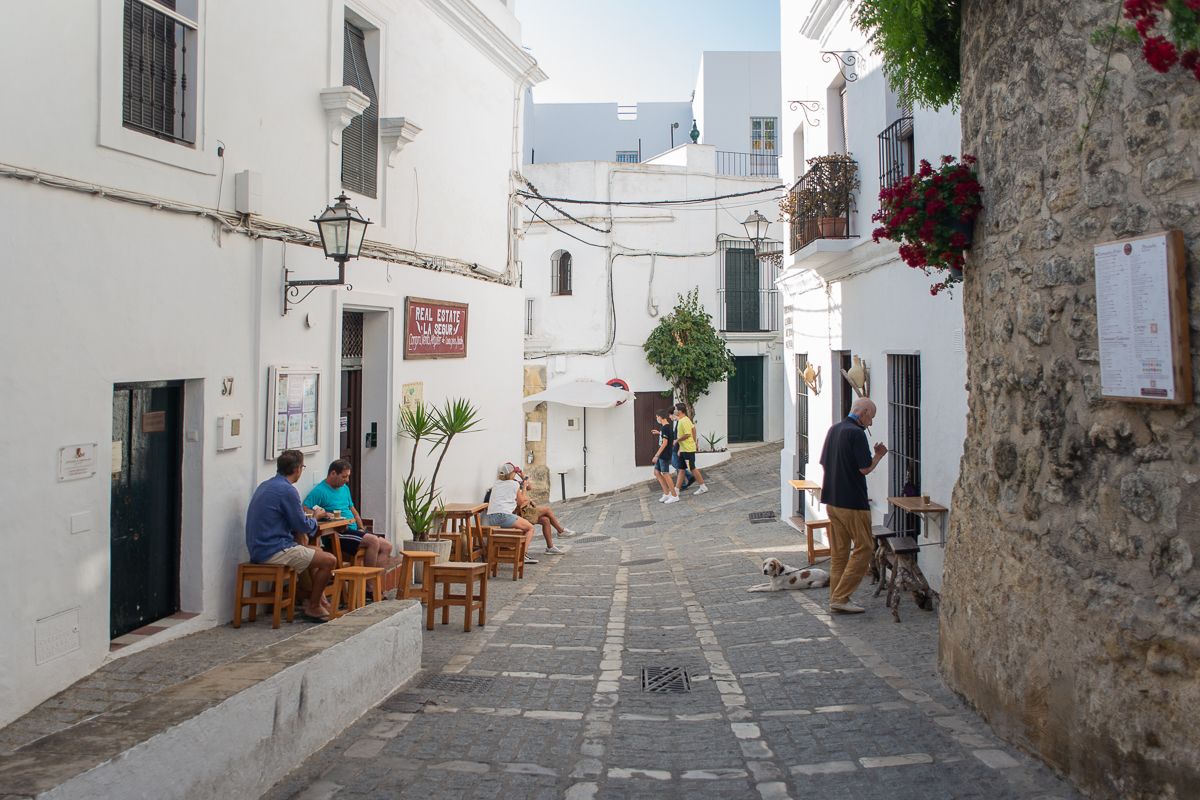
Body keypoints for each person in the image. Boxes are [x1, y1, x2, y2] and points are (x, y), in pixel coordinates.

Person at [245, 449, 336, 623]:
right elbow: (302, 525)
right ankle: (314, 606)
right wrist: (316, 517)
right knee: (329, 560)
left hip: (259, 547)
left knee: (315, 550)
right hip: (274, 549)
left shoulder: (266, 485)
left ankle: (315, 599)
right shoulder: (288, 490)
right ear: (297, 469)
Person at [818, 397, 888, 614]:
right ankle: (841, 596)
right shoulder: (856, 433)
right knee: (865, 548)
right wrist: (878, 456)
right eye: (871, 417)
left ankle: (835, 598)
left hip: (832, 500)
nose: (871, 423)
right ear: (864, 412)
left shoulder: (834, 429)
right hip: (853, 503)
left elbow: (824, 463)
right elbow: (864, 469)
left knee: (839, 553)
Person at [304, 459, 390, 569]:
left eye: (348, 476)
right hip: (339, 532)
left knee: (387, 546)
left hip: (353, 530)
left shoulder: (344, 488)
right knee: (373, 541)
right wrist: (323, 514)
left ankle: (376, 583)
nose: (347, 480)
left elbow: (352, 509)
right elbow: (305, 507)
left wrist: (360, 527)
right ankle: (369, 585)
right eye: (344, 477)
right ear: (333, 473)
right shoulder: (320, 491)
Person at [483, 462, 563, 561]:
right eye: (515, 472)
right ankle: (522, 555)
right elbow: (522, 502)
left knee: (545, 520)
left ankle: (551, 546)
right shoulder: (513, 483)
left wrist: (523, 478)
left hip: (492, 517)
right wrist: (524, 487)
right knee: (530, 528)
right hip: (504, 516)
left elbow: (528, 489)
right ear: (511, 473)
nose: (516, 474)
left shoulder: (497, 483)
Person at [516, 474, 577, 538]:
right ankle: (560, 531)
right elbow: (521, 502)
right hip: (521, 514)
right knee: (547, 510)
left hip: (525, 511)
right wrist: (527, 495)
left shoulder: (514, 482)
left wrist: (521, 474)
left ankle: (550, 547)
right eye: (514, 471)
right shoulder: (512, 485)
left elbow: (529, 487)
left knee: (545, 520)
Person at [672, 403, 707, 496]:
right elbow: (693, 429)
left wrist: (677, 440)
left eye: (675, 409)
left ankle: (703, 487)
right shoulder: (683, 420)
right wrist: (680, 448)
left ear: (679, 411)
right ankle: (676, 491)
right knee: (681, 469)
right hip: (684, 449)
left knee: (692, 468)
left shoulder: (684, 421)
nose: (674, 411)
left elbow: (687, 434)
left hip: (688, 450)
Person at [651, 410, 679, 503]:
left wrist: (656, 455)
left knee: (665, 473)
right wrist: (659, 433)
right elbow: (667, 437)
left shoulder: (665, 428)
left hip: (664, 454)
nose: (656, 419)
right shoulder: (665, 427)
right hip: (662, 454)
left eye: (657, 417)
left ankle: (674, 495)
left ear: (660, 417)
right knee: (657, 472)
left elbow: (665, 443)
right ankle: (667, 494)